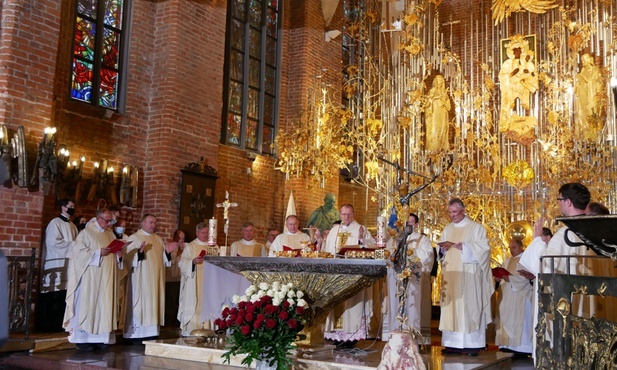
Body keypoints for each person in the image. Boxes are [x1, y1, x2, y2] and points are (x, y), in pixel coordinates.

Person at [437, 198, 493, 357]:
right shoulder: (447, 229)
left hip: (469, 277)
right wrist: (441, 249)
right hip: (451, 275)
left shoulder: (476, 228)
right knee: (451, 308)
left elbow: (484, 250)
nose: (451, 215)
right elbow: (440, 253)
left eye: (454, 212)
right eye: (450, 212)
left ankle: (471, 345)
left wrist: (465, 247)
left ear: (463, 211)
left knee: (468, 307)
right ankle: (451, 344)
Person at [63, 208, 124, 350]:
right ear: (98, 218)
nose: (110, 224)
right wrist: (98, 253)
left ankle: (101, 339)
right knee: (88, 306)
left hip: (106, 280)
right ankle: (83, 340)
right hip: (90, 280)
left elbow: (112, 254)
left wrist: (118, 256)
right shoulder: (86, 233)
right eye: (107, 221)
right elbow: (77, 253)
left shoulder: (110, 234)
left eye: (111, 221)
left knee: (104, 306)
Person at [323, 204, 377, 342]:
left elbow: (372, 248)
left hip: (353, 276)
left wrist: (361, 239)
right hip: (334, 275)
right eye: (343, 214)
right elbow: (326, 250)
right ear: (340, 214)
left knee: (352, 305)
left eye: (349, 214)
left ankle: (351, 337)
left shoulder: (361, 229)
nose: (346, 217)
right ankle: (335, 337)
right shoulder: (334, 231)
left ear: (353, 214)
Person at [123, 214, 178, 343]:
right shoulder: (134, 238)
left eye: (155, 223)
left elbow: (163, 260)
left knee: (154, 304)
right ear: (142, 223)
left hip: (155, 281)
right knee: (140, 304)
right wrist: (139, 254)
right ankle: (137, 335)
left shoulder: (158, 239)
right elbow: (127, 259)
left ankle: (152, 333)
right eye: (150, 222)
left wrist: (167, 253)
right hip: (140, 280)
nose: (153, 225)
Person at [386, 213, 434, 336]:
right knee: (395, 304)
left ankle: (413, 336)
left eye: (411, 222)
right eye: (406, 223)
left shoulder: (422, 239)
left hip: (414, 279)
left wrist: (412, 252)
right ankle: (395, 334)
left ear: (416, 224)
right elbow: (387, 256)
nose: (408, 225)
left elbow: (428, 256)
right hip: (396, 279)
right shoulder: (394, 239)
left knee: (413, 307)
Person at [38, 198, 78, 332]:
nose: (72, 208)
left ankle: (61, 324)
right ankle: (48, 326)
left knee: (64, 296)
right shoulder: (55, 223)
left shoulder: (72, 225)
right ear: (63, 207)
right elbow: (52, 243)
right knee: (53, 295)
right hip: (56, 263)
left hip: (69, 264)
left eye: (73, 206)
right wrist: (72, 245)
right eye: (70, 206)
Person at [495, 238, 533, 358]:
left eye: (514, 247)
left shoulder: (526, 260)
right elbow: (502, 278)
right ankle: (507, 346)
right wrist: (498, 280)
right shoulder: (507, 261)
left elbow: (527, 278)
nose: (512, 250)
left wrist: (510, 279)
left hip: (521, 298)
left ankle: (522, 348)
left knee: (520, 323)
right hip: (507, 297)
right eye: (510, 248)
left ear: (521, 247)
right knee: (506, 321)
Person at [177, 223, 208, 336]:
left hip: (208, 283)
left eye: (206, 233)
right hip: (194, 281)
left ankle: (208, 329)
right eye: (203, 233)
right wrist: (193, 262)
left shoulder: (213, 247)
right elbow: (181, 263)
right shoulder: (190, 246)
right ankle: (191, 329)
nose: (205, 235)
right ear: (197, 233)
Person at [575, 53, 604, 140]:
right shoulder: (583, 70)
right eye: (582, 60)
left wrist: (587, 81)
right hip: (583, 97)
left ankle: (593, 136)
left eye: (584, 60)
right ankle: (584, 136)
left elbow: (598, 83)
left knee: (592, 115)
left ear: (589, 59)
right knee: (582, 115)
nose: (582, 62)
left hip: (591, 97)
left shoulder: (595, 70)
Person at [425, 74, 451, 152]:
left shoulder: (444, 92)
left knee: (442, 129)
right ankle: (433, 148)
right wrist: (435, 98)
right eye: (439, 80)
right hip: (434, 113)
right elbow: (427, 102)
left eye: (441, 80)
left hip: (442, 114)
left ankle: (442, 147)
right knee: (434, 129)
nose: (440, 82)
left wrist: (444, 100)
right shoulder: (432, 91)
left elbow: (448, 106)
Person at [165, 230, 185, 326]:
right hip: (170, 278)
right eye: (180, 238)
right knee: (170, 301)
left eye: (183, 238)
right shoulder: (169, 246)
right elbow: (167, 259)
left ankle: (176, 320)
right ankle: (169, 320)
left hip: (180, 278)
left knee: (178, 300)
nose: (181, 240)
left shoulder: (185, 247)